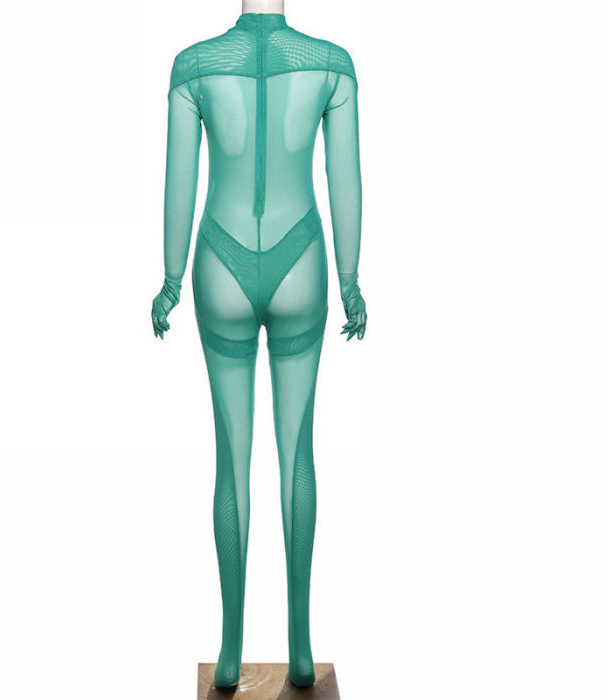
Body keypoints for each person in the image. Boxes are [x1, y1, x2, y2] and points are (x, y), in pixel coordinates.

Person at [151, 9, 367, 689]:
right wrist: (351, 280)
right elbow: (345, 180)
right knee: (297, 452)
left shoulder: (193, 66)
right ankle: (301, 648)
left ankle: (231, 652)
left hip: (220, 259)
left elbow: (180, 181)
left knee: (232, 461)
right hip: (302, 257)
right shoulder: (331, 63)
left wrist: (171, 279)